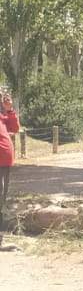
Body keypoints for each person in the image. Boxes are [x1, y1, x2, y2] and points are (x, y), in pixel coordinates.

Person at [0, 92, 18, 248]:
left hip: (5, 160)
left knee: (2, 195)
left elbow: (15, 128)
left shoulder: (3, 116)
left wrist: (9, 109)